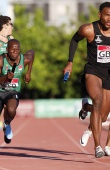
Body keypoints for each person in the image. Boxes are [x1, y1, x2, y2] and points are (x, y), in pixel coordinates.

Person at [63, 2, 110, 158]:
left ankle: (85, 107)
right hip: (93, 71)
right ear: (99, 15)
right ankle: (97, 146)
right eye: (106, 15)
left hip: (109, 73)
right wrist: (70, 62)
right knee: (97, 100)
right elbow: (74, 40)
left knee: (103, 117)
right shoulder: (88, 29)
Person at [0, 15, 33, 151]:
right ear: (4, 25)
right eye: (11, 24)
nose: (12, 26)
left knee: (10, 107)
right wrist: (1, 60)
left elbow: (18, 56)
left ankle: (7, 123)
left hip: (10, 79)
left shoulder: (11, 39)